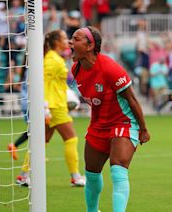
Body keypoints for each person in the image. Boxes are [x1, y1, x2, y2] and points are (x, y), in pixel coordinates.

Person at [69, 26, 150, 212]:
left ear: (90, 46)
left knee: (118, 169)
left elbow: (132, 99)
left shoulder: (110, 68)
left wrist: (143, 129)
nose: (70, 42)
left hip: (123, 122)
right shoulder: (76, 69)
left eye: (76, 39)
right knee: (91, 174)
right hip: (98, 125)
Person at [16, 30, 85, 187]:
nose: (67, 40)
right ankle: (75, 176)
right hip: (54, 107)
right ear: (56, 42)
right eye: (64, 38)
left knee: (41, 141)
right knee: (71, 138)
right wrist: (45, 107)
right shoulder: (52, 61)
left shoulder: (53, 59)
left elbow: (54, 84)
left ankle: (23, 175)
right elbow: (42, 85)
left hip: (54, 105)